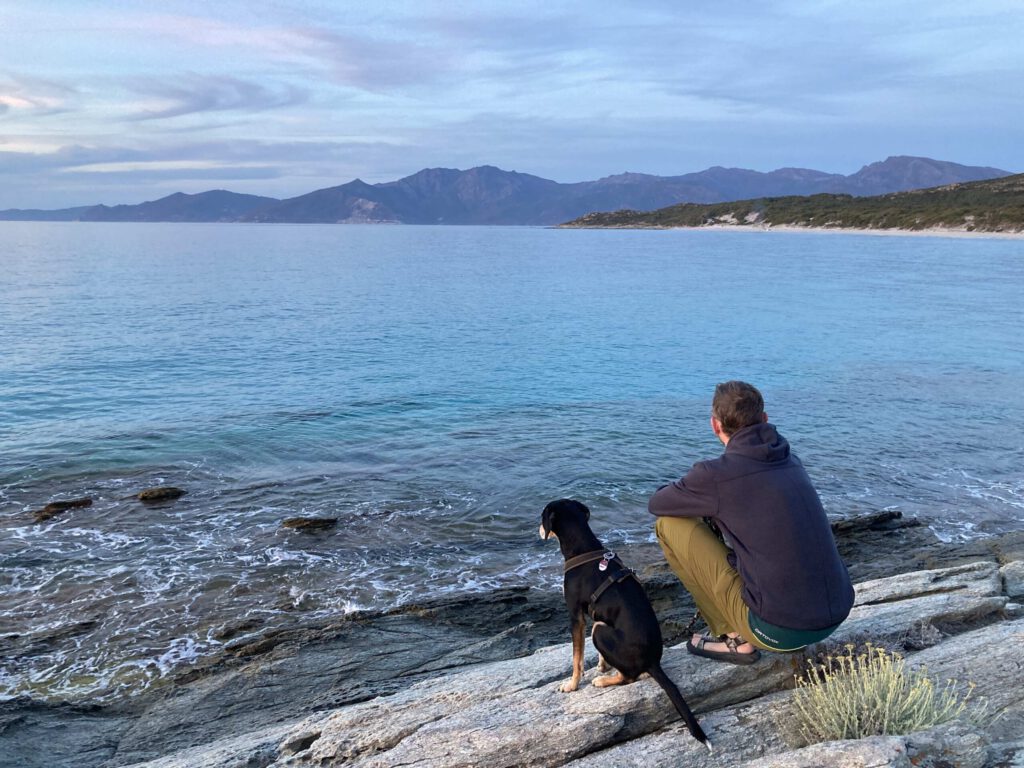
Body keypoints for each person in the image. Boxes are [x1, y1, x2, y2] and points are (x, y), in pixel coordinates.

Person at [648, 381, 854, 664]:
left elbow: (658, 503)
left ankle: (734, 640)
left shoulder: (716, 475)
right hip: (835, 615)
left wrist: (700, 496)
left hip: (778, 630)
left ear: (714, 425)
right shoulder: (791, 460)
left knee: (669, 525)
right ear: (765, 419)